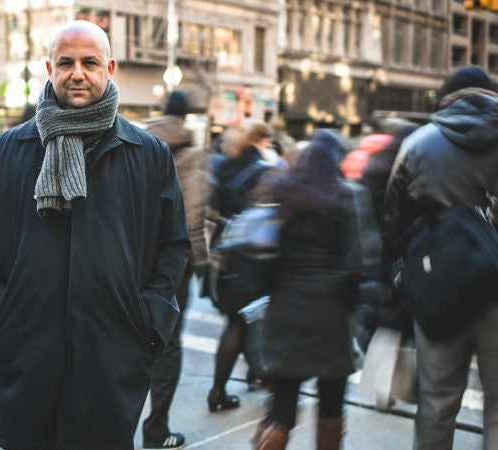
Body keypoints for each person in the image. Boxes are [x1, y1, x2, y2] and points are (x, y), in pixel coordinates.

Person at [0, 20, 189, 449]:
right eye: (66, 63)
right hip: (29, 353)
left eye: (90, 62)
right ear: (50, 68)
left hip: (111, 358)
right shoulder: (9, 149)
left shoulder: (148, 154)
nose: (77, 73)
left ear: (110, 68)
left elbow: (173, 245)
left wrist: (150, 325)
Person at [383, 66, 498, 450]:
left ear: (447, 96)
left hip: (438, 288)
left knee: (436, 402)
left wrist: (405, 275)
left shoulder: (419, 143)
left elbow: (391, 220)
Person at [252, 130, 361, 450]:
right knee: (331, 405)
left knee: (282, 409)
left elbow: (264, 260)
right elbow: (354, 265)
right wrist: (346, 306)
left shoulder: (282, 191)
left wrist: (274, 295)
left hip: (286, 309)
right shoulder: (343, 195)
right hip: (329, 312)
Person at [140, 91, 209, 449]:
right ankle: (156, 429)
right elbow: (193, 215)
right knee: (167, 346)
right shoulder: (190, 155)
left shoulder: (137, 142)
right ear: (185, 117)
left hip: (133, 261)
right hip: (171, 265)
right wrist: (201, 263)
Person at [205, 120, 274, 412]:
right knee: (245, 321)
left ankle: (226, 387)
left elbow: (212, 210)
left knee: (237, 321)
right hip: (253, 259)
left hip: (224, 257)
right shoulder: (263, 171)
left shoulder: (221, 166)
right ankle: (226, 387)